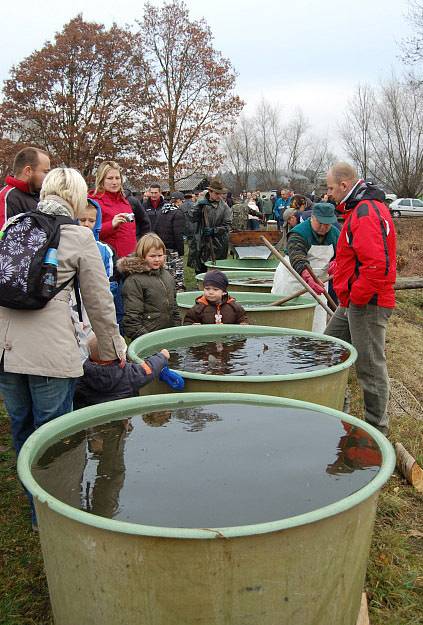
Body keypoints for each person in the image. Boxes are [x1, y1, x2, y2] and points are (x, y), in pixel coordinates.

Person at [0, 167, 124, 528]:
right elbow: (100, 304)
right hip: (50, 352)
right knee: (54, 435)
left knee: (22, 428)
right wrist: (115, 349)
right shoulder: (79, 237)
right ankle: (54, 511)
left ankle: (33, 507)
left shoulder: (14, 226)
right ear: (76, 197)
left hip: (6, 350)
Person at [325, 162, 397, 435]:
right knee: (329, 347)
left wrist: (356, 297)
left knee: (369, 366)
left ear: (344, 186)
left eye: (331, 188)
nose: (329, 194)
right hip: (353, 299)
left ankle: (376, 431)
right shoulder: (358, 208)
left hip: (367, 302)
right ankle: (334, 407)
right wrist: (338, 268)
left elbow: (376, 265)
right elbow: (358, 254)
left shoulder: (365, 211)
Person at [271, 202, 339, 332]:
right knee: (288, 318)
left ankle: (314, 347)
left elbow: (343, 253)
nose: (324, 227)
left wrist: (337, 262)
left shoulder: (336, 234)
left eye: (328, 224)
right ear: (312, 218)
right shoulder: (299, 232)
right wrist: (307, 276)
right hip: (293, 278)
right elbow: (298, 258)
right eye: (320, 223)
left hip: (319, 283)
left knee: (316, 321)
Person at [73, 335, 169, 409]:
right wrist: (163, 356)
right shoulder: (128, 373)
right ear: (120, 355)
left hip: (94, 418)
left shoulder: (82, 375)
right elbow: (149, 368)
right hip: (123, 413)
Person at [118, 233, 181, 340]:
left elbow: (174, 307)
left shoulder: (167, 276)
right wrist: (147, 340)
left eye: (160, 255)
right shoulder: (134, 281)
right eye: (152, 256)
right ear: (142, 256)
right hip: (148, 337)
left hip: (169, 334)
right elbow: (132, 318)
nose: (157, 259)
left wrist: (177, 328)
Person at [88, 161, 137, 259]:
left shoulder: (124, 201)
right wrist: (111, 225)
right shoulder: (93, 202)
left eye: (117, 178)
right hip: (110, 260)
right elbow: (87, 233)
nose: (114, 182)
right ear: (101, 180)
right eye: (110, 178)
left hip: (131, 259)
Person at [187, 178, 232, 273]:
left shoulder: (224, 207)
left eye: (221, 193)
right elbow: (191, 218)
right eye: (216, 193)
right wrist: (198, 207)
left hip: (217, 245)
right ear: (210, 192)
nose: (219, 196)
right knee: (200, 271)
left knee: (214, 272)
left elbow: (228, 226)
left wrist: (214, 231)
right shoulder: (201, 204)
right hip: (200, 242)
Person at [0, 147, 50, 227]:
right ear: (28, 171)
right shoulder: (5, 198)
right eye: (45, 172)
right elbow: (2, 236)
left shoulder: (42, 196)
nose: (48, 177)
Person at [183, 270, 249, 325]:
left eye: (215, 289)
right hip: (207, 338)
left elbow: (242, 318)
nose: (210, 292)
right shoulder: (198, 308)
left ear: (224, 292)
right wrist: (192, 325)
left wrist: (243, 323)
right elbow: (188, 321)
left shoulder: (234, 307)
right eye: (207, 289)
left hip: (228, 338)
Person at [153, 191, 186, 291]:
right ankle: (178, 292)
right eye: (182, 201)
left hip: (162, 247)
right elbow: (178, 233)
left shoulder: (162, 211)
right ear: (178, 201)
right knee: (177, 272)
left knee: (165, 270)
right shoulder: (178, 213)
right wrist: (181, 250)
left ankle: (165, 289)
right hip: (173, 248)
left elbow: (155, 228)